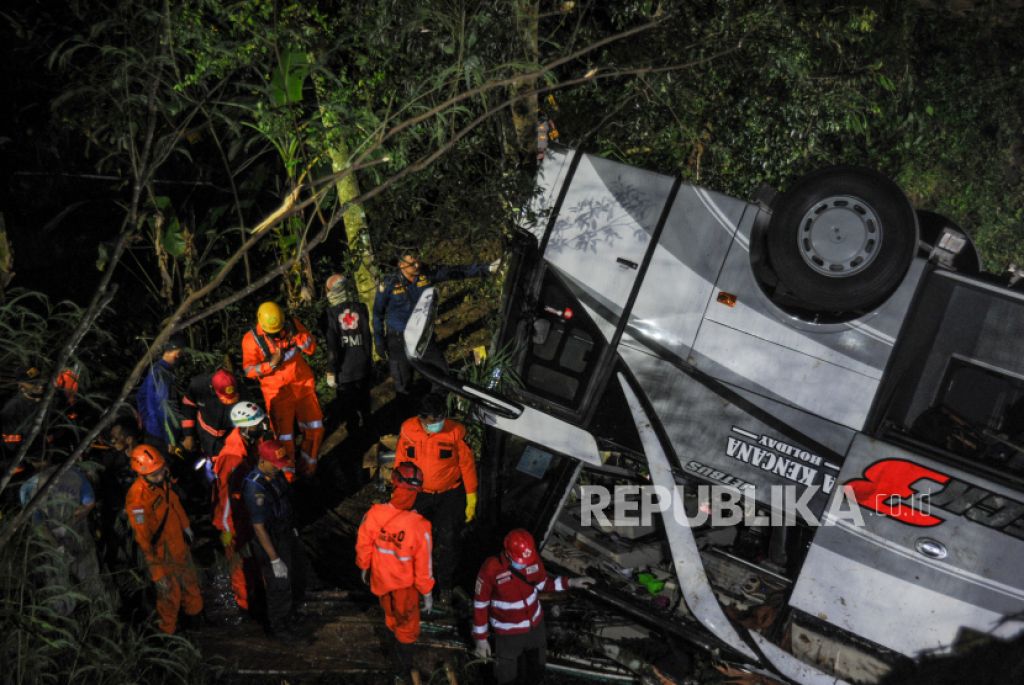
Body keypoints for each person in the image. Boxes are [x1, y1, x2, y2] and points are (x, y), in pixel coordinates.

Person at [373, 252, 499, 411]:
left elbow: (456, 271)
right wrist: (379, 341)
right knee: (403, 384)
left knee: (441, 374)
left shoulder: (427, 274)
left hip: (422, 336)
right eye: (412, 263)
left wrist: (487, 268)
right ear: (401, 264)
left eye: (417, 261)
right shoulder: (389, 283)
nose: (417, 265)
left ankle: (436, 410)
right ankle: (407, 422)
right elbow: (377, 314)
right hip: (397, 339)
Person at [472, 529, 595, 684]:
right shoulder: (491, 569)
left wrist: (571, 582)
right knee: (507, 677)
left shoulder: (532, 558)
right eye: (521, 561)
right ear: (508, 553)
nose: (524, 565)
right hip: (508, 635)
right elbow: (480, 604)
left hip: (535, 629)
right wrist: (481, 639)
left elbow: (544, 583)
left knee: (536, 672)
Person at [395, 393, 477, 608]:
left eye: (440, 419)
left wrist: (471, 495)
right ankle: (416, 582)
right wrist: (399, 494)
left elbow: (466, 464)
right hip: (418, 494)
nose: (436, 425)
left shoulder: (455, 432)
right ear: (421, 418)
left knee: (449, 540)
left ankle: (446, 585)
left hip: (448, 495)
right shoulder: (408, 430)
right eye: (432, 421)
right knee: (415, 540)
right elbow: (401, 461)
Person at [355, 462, 434, 684]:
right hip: (404, 588)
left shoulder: (375, 513)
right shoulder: (420, 525)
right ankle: (403, 668)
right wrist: (427, 592)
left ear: (394, 484)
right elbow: (423, 564)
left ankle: (395, 662)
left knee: (390, 619)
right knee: (407, 629)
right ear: (417, 491)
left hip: (380, 580)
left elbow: (363, 543)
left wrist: (364, 566)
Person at [124, 444, 203, 634]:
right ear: (141, 474)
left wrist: (186, 526)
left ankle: (194, 627)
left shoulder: (161, 481)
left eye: (161, 471)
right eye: (154, 475)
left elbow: (173, 503)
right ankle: (167, 638)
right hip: (162, 554)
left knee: (191, 585)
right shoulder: (138, 499)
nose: (160, 477)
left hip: (178, 546)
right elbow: (143, 540)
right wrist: (157, 573)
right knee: (169, 597)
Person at [241, 302, 324, 478]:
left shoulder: (292, 325)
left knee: (315, 428)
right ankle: (288, 478)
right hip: (277, 394)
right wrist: (270, 364)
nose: (278, 334)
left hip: (302, 386)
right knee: (284, 439)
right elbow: (248, 370)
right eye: (273, 332)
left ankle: (309, 468)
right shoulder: (251, 340)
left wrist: (299, 338)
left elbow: (311, 348)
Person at [19, 453, 104, 613]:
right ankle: (99, 613)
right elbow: (89, 503)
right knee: (90, 577)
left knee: (58, 584)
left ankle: (63, 621)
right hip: (78, 534)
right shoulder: (74, 474)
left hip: (51, 543)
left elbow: (37, 524)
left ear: (30, 460)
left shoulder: (28, 488)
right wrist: (71, 524)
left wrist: (55, 544)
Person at [242, 438, 307, 640]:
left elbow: (285, 503)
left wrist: (292, 529)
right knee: (279, 584)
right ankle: (279, 627)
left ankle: (289, 616)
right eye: (276, 465)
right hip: (269, 540)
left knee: (294, 576)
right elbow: (259, 527)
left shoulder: (275, 476)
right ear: (262, 461)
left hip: (284, 533)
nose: (280, 468)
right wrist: (274, 558)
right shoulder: (255, 487)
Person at [212, 401, 269, 614]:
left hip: (246, 513)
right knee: (239, 563)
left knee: (252, 558)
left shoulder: (247, 446)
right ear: (245, 428)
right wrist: (227, 528)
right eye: (257, 425)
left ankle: (256, 594)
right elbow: (224, 497)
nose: (261, 428)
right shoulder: (233, 458)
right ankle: (246, 605)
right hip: (233, 520)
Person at [322, 273, 373, 432]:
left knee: (349, 409)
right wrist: (369, 360)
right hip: (363, 364)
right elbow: (367, 338)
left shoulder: (329, 315)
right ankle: (370, 431)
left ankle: (356, 441)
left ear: (330, 291)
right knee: (365, 404)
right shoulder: (361, 307)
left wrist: (331, 370)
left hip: (345, 370)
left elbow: (333, 347)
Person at [181, 368, 241, 469]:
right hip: (204, 434)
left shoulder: (240, 389)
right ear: (212, 388)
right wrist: (188, 435)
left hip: (229, 436)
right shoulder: (198, 386)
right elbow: (188, 406)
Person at [136, 334, 186, 453]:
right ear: (177, 353)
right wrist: (171, 439)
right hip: (161, 436)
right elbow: (165, 408)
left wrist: (146, 420)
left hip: (151, 430)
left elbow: (140, 395)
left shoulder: (155, 369)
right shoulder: (162, 374)